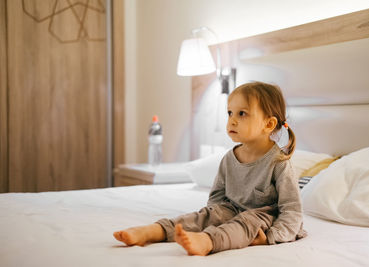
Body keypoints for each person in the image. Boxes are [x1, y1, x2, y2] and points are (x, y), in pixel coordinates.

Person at [113, 81, 307, 255]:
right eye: (230, 113)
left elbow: (292, 210)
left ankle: (208, 241)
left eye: (242, 114)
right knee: (203, 216)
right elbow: (217, 196)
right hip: (231, 209)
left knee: (246, 220)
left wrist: (273, 237)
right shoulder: (229, 158)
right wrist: (213, 217)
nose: (232, 120)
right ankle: (155, 230)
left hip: (263, 218)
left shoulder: (279, 162)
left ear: (269, 124)